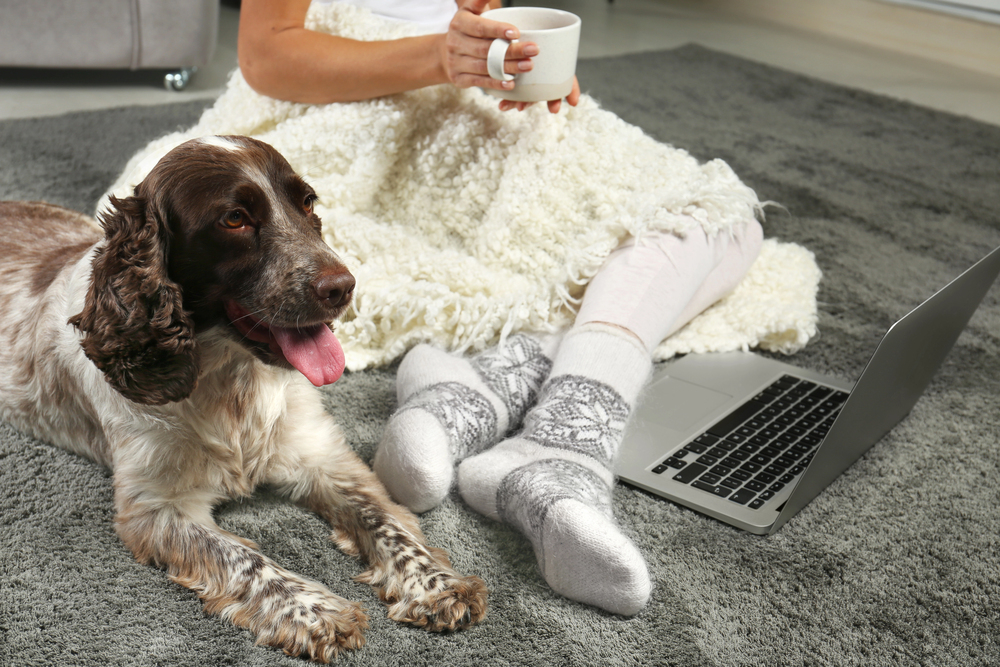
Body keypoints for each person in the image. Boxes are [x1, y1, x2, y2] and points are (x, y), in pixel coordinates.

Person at [119, 0, 774, 617]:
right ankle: (559, 441)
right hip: (330, 123)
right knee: (652, 242)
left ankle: (472, 406)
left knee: (706, 215)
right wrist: (442, 57)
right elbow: (269, 52)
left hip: (464, 105)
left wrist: (508, 58)